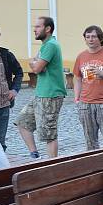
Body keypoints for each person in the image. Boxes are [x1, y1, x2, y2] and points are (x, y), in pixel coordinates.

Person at [16, 17, 65, 159]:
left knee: (49, 133)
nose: (34, 30)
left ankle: (52, 164)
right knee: (22, 121)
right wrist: (35, 63)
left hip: (50, 94)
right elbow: (35, 64)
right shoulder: (46, 45)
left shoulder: (51, 45)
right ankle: (34, 154)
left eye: (38, 27)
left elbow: (36, 68)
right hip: (41, 93)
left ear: (47, 29)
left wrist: (35, 64)